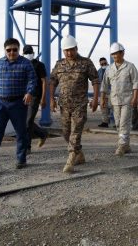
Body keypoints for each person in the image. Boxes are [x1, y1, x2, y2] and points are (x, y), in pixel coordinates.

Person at [0, 38, 37, 171]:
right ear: (5, 50)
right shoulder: (0, 63)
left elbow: (32, 80)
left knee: (20, 132)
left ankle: (21, 159)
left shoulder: (26, 63)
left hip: (18, 103)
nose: (11, 52)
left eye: (14, 50)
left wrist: (29, 92)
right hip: (0, 104)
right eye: (9, 50)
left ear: (18, 50)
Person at [49, 35, 99, 173]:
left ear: (76, 48)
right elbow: (52, 82)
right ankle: (79, 154)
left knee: (75, 132)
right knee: (66, 133)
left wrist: (96, 99)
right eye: (66, 50)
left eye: (71, 50)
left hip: (80, 104)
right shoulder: (59, 64)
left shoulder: (86, 63)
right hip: (64, 105)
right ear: (63, 51)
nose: (69, 53)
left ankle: (70, 159)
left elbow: (95, 80)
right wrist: (52, 99)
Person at [101, 42, 138, 156]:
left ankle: (121, 146)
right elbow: (104, 85)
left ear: (122, 53)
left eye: (116, 53)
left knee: (124, 123)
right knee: (118, 124)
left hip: (127, 100)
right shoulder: (109, 69)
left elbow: (136, 83)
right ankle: (126, 145)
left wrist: (135, 98)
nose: (114, 56)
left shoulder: (130, 67)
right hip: (115, 101)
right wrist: (102, 99)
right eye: (112, 54)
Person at [22, 45, 48, 152]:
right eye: (26, 52)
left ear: (33, 53)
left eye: (30, 52)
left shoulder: (39, 65)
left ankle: (27, 147)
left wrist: (43, 98)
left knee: (28, 121)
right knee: (25, 121)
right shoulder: (21, 64)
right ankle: (42, 133)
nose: (28, 54)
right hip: (22, 96)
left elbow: (44, 81)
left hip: (35, 96)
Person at [97, 57, 111, 128]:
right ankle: (105, 122)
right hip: (102, 92)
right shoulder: (99, 71)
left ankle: (115, 122)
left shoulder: (111, 69)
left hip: (111, 92)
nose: (103, 65)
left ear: (107, 62)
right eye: (102, 64)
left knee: (113, 107)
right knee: (103, 108)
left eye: (104, 63)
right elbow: (98, 82)